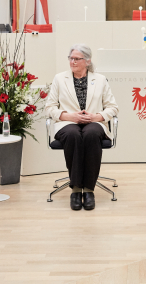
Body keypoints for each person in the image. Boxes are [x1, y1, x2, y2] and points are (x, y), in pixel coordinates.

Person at [44, 44, 119, 211]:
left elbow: (113, 107)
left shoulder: (100, 79)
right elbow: (49, 108)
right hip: (67, 122)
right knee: (73, 135)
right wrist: (70, 116)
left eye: (77, 59)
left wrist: (96, 117)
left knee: (91, 134)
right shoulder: (59, 79)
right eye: (71, 58)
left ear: (87, 61)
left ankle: (89, 190)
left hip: (95, 122)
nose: (72, 62)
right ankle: (77, 190)